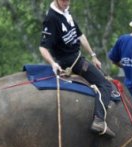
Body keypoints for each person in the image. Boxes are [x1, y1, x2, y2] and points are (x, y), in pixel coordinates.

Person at [39, 0, 115, 137]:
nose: (66, 2)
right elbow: (43, 47)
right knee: (105, 85)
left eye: (68, 0)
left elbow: (80, 36)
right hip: (71, 61)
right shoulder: (51, 18)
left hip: (78, 58)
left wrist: (93, 55)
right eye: (63, 0)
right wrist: (53, 63)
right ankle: (99, 120)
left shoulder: (66, 13)